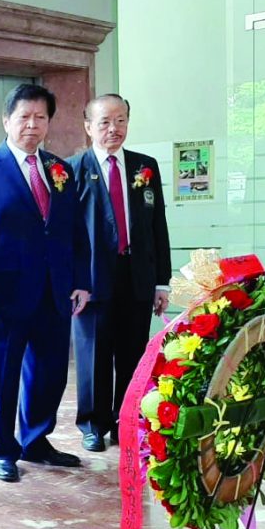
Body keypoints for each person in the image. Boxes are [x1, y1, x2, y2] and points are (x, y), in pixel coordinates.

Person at [0, 83, 91, 483]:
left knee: (50, 372)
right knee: (3, 376)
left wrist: (81, 280)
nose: (32, 125)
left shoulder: (60, 169)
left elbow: (75, 231)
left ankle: (36, 440)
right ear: (7, 120)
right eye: (24, 117)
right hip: (5, 295)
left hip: (55, 291)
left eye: (40, 117)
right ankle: (3, 449)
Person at [70, 94, 171, 451]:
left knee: (132, 354)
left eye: (121, 120)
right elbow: (67, 233)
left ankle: (125, 421)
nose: (114, 128)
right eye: (105, 122)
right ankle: (93, 424)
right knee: (93, 355)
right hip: (92, 279)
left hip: (137, 275)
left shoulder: (145, 166)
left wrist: (162, 281)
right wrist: (74, 281)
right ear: (88, 127)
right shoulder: (72, 169)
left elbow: (158, 225)